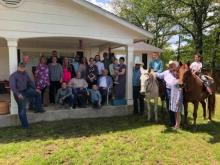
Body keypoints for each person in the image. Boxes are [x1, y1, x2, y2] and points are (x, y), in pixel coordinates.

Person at [9, 62, 45, 129]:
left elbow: (30, 83)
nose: (22, 68)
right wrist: (18, 94)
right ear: (18, 67)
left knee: (38, 93)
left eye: (23, 67)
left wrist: (35, 89)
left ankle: (38, 108)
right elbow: (13, 87)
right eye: (21, 67)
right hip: (18, 93)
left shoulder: (26, 74)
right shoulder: (13, 75)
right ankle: (25, 126)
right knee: (22, 109)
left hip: (26, 91)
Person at [154, 60, 179, 127]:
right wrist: (153, 73)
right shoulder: (165, 72)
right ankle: (172, 122)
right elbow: (159, 75)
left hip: (176, 90)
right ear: (168, 66)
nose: (171, 66)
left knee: (176, 106)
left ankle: (177, 122)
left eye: (172, 65)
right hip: (168, 90)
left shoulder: (177, 72)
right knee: (169, 106)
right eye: (170, 65)